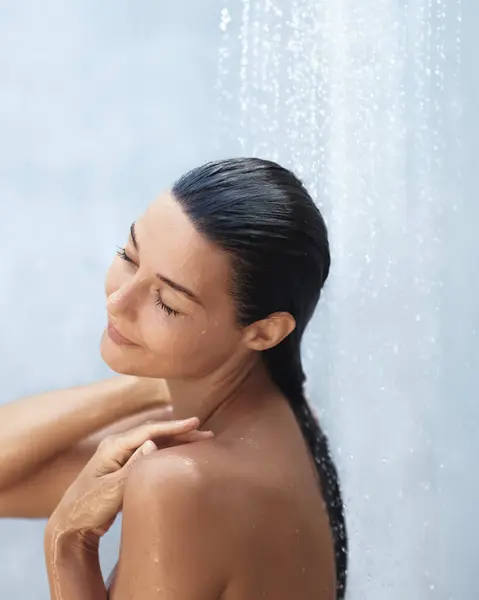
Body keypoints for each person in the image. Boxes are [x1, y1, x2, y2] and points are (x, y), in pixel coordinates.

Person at [0, 157, 347, 600]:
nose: (118, 302)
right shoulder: (259, 424)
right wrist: (146, 385)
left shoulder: (180, 482)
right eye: (129, 255)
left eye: (165, 302)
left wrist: (68, 542)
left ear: (263, 331)